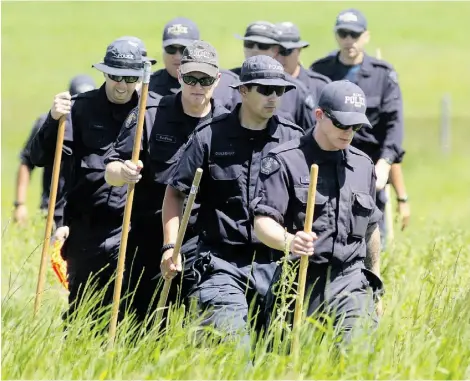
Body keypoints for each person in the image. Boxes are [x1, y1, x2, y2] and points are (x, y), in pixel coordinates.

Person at [160, 55, 305, 348]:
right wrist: (169, 247)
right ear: (243, 91)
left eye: (279, 91)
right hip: (221, 264)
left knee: (278, 356)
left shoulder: (295, 141)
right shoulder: (210, 136)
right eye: (265, 90)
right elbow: (176, 194)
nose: (273, 97)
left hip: (279, 266)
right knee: (232, 352)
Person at [104, 40, 230, 323]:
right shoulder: (149, 115)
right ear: (180, 75)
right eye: (191, 77)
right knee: (143, 327)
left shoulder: (227, 125)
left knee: (202, 328)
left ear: (217, 79)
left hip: (205, 244)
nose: (198, 85)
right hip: (148, 240)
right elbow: (110, 168)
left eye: (206, 79)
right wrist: (122, 172)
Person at [252, 80, 384, 344]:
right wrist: (291, 242)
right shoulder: (285, 161)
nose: (349, 132)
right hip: (299, 278)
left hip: (350, 281)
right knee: (290, 362)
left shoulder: (362, 165)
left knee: (353, 359)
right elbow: (263, 222)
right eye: (342, 124)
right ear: (320, 115)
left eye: (356, 127)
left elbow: (371, 229)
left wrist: (377, 285)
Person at [29, 38, 144, 323]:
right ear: (104, 72)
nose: (122, 85)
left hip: (130, 227)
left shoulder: (148, 111)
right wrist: (54, 119)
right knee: (83, 310)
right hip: (85, 228)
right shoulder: (79, 108)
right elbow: (39, 156)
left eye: (130, 78)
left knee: (128, 311)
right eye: (115, 76)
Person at [310, 8, 410, 246]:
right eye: (343, 34)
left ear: (366, 36)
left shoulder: (383, 75)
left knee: (372, 237)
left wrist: (385, 163)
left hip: (369, 169)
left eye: (354, 35)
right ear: (336, 35)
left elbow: (394, 125)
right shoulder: (320, 71)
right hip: (327, 163)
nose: (348, 40)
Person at [13, 75, 96, 227]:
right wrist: (20, 204)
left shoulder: (96, 127)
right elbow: (26, 162)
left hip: (84, 213)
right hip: (51, 210)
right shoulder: (48, 123)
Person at [231, 20, 316, 131]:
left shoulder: (295, 90)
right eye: (249, 44)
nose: (255, 49)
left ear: (275, 50)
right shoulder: (228, 80)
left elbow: (309, 134)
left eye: (262, 45)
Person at [149, 17, 240, 111]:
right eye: (170, 49)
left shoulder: (228, 85)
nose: (177, 56)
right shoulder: (148, 85)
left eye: (184, 50)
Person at [274, 22, 331, 104]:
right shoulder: (260, 86)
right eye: (274, 51)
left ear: (299, 50)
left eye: (285, 51)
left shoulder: (319, 87)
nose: (278, 57)